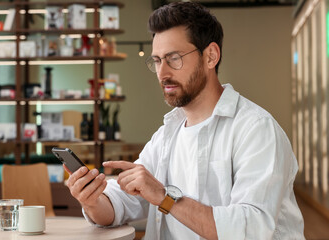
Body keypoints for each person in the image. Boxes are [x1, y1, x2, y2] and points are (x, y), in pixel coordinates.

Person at [65, 2, 305, 239]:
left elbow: (251, 229)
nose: (162, 73)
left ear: (210, 56)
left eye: (174, 58)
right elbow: (124, 202)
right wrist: (93, 200)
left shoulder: (256, 129)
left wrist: (165, 197)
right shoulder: (168, 134)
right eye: (157, 60)